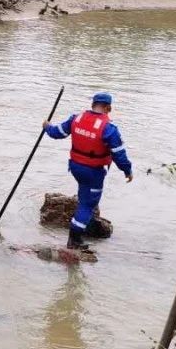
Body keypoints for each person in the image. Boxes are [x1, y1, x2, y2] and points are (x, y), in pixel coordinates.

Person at [43, 92, 132, 251]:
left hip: (76, 167)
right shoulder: (109, 129)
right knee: (88, 204)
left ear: (92, 105)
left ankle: (85, 224)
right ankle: (74, 239)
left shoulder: (76, 119)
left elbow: (57, 133)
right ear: (108, 108)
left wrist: (47, 127)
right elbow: (119, 154)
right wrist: (127, 170)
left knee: (85, 195)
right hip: (94, 171)